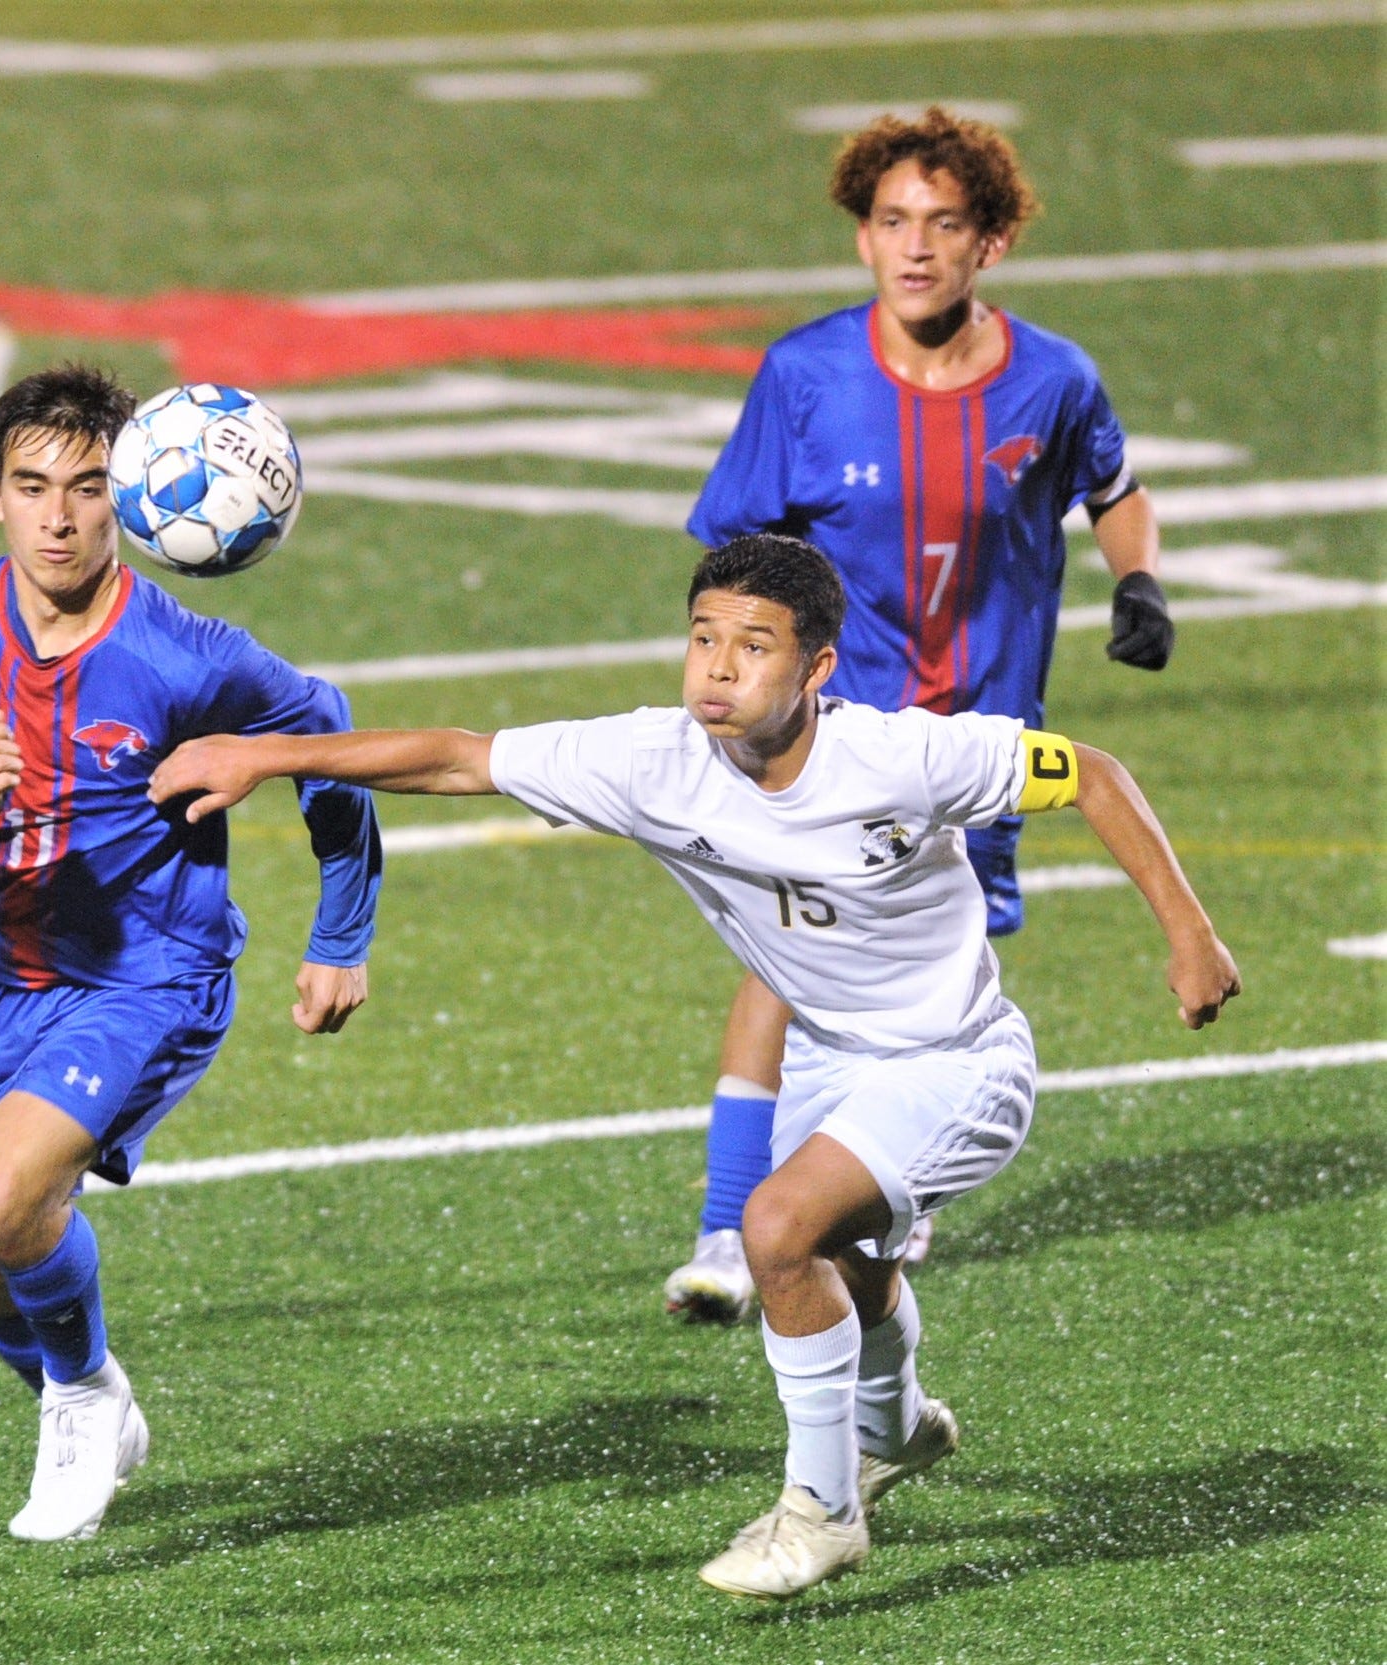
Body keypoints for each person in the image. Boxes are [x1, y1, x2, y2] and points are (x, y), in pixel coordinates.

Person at [147, 532, 1239, 1600]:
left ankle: (822, 1513)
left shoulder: (906, 757)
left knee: (775, 1230)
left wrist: (1190, 935)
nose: (718, 668)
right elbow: (458, 756)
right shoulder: (651, 760)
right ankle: (897, 1431)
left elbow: (1093, 774)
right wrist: (265, 755)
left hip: (957, 1059)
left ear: (817, 668)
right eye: (703, 638)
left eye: (752, 646)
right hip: (827, 1055)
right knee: (848, 1263)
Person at [667, 106, 1176, 1321]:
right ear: (860, 236)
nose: (916, 247)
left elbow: (1117, 487)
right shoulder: (804, 375)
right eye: (892, 221)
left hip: (981, 744)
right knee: (782, 954)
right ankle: (730, 1228)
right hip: (838, 732)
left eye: (945, 224)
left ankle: (881, 1185)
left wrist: (1140, 581)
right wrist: (741, 683)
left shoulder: (1053, 380)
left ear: (990, 242)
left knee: (937, 966)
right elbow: (739, 553)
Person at [0, 364, 381, 1542]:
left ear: (136, 502)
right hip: (3, 984)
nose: (62, 515)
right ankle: (88, 1388)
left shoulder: (189, 654)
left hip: (154, 972)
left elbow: (330, 736)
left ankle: (84, 1396)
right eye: (34, 485)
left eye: (92, 487)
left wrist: (340, 931)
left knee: (7, 1190)